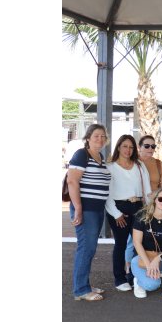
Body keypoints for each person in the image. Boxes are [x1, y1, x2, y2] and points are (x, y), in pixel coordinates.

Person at [67, 124, 111, 301]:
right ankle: (81, 290)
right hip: (86, 209)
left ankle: (84, 284)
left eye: (103, 136)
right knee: (86, 248)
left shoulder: (100, 157)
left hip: (97, 209)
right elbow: (72, 181)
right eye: (96, 136)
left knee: (90, 249)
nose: (100, 139)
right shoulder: (81, 154)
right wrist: (78, 208)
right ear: (88, 138)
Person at [104, 135, 151, 292]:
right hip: (118, 208)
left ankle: (135, 276)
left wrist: (149, 210)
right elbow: (107, 193)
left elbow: (148, 190)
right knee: (121, 244)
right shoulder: (110, 166)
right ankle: (120, 279)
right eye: (125, 146)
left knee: (140, 244)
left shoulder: (139, 165)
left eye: (131, 147)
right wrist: (116, 213)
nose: (128, 150)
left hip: (138, 207)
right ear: (118, 147)